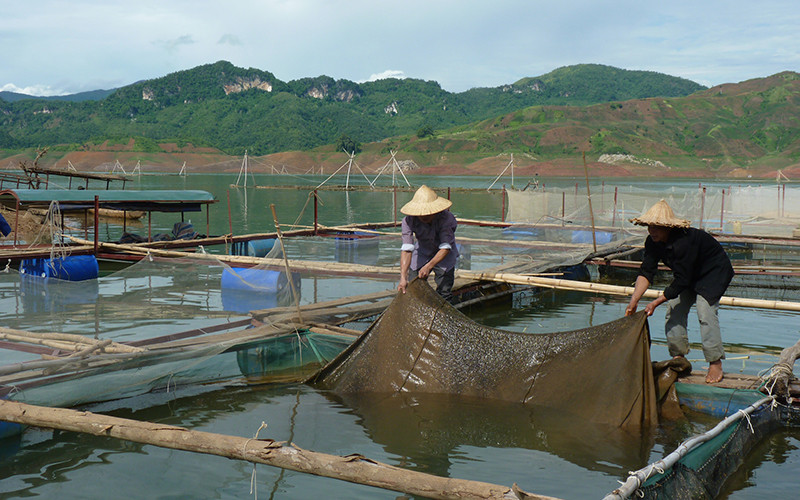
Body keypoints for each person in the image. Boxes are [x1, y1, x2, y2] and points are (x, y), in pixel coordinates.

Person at [625, 199, 734, 384]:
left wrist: (655, 302)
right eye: (649, 226)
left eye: (657, 227)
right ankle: (678, 358)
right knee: (674, 310)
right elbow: (646, 272)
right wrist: (634, 300)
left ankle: (715, 362)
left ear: (668, 227)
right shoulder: (653, 242)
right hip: (689, 273)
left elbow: (682, 280)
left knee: (705, 311)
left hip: (713, 272)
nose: (652, 231)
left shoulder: (684, 241)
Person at [397, 185, 459, 302]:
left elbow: (446, 247)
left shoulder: (446, 218)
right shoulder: (408, 221)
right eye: (421, 213)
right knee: (414, 287)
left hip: (444, 254)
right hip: (422, 251)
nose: (424, 216)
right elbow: (406, 249)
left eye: (427, 213)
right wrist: (403, 277)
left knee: (444, 291)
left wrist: (429, 266)